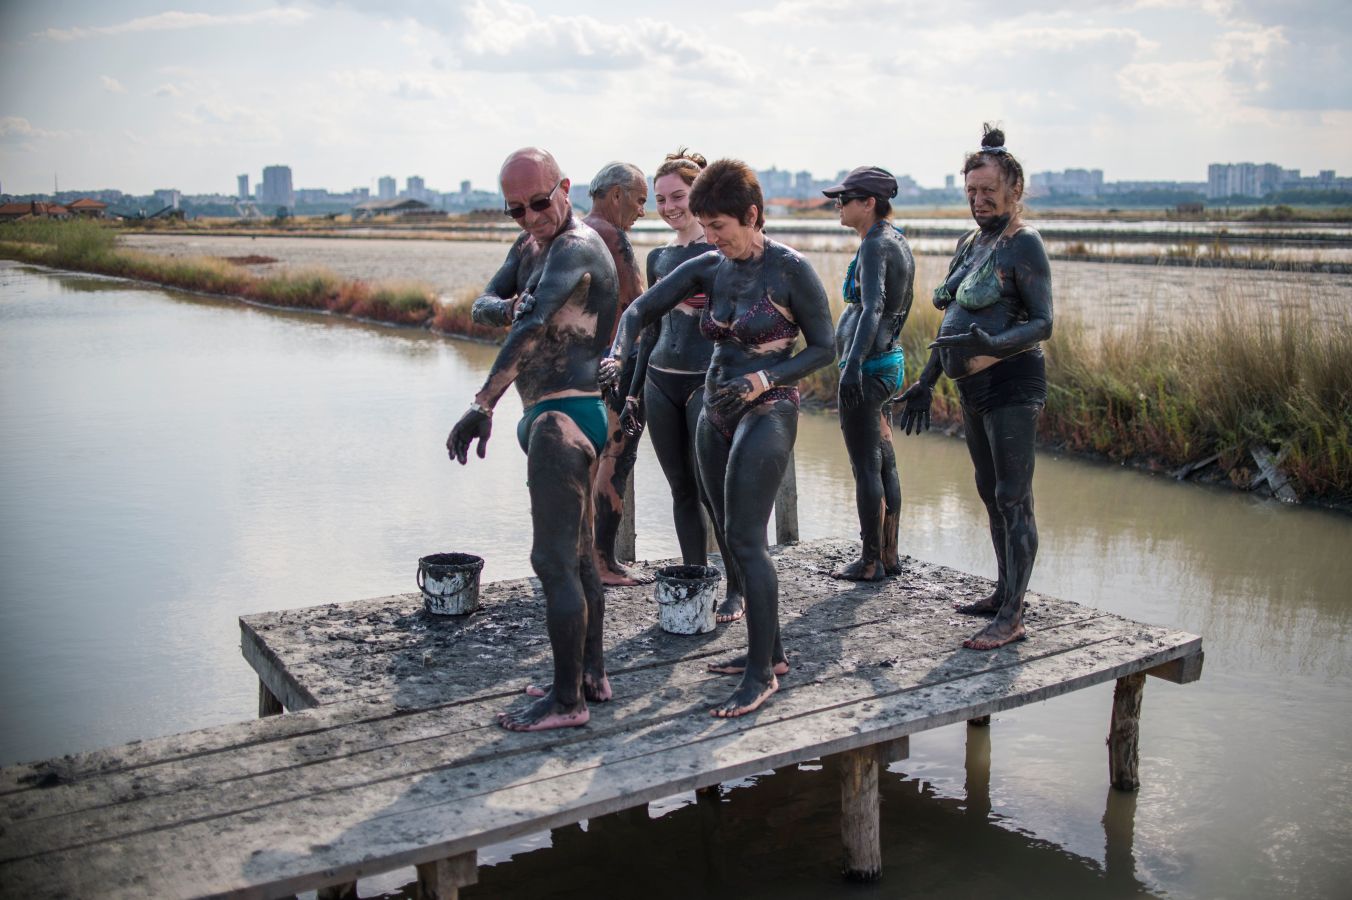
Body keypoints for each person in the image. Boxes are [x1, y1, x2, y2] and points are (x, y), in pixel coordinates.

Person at [602, 159, 834, 717]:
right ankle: (770, 653)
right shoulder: (710, 267)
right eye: (705, 227)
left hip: (769, 407)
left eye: (721, 227)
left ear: (752, 216)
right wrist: (617, 353)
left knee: (749, 540)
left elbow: (827, 348)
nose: (712, 238)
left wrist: (766, 377)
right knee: (727, 532)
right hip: (715, 407)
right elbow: (640, 311)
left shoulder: (790, 271)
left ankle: (760, 675)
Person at [449, 147, 618, 731]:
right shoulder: (529, 247)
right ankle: (589, 675)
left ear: (565, 188)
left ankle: (566, 702)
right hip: (547, 415)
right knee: (577, 555)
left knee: (551, 561)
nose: (530, 217)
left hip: (563, 418)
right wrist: (507, 303)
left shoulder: (575, 248)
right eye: (515, 209)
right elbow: (483, 304)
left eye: (540, 203)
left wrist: (481, 404)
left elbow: (531, 325)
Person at [896, 125, 1053, 651]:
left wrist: (998, 340)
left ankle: (1013, 616)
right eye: (971, 192)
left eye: (989, 191)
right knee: (991, 494)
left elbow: (1042, 323)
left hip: (1011, 382)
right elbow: (952, 327)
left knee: (1014, 497)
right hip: (971, 388)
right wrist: (924, 382)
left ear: (1015, 191)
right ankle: (1003, 591)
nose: (979, 200)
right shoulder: (971, 242)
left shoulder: (1023, 243)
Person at [621, 149, 746, 622]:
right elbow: (648, 329)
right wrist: (632, 390)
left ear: (700, 194)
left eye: (678, 196)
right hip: (658, 380)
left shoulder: (722, 253)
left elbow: (742, 321)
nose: (670, 207)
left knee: (715, 491)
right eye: (660, 199)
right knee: (680, 491)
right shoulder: (659, 257)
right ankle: (696, 582)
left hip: (704, 383)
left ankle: (737, 588)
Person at [821, 166, 914, 581]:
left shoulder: (877, 245)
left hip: (870, 367)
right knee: (885, 463)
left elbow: (874, 307)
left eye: (845, 199)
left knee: (865, 467)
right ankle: (889, 553)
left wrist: (851, 366)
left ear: (868, 203)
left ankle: (871, 560)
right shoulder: (894, 240)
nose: (838, 206)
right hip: (886, 362)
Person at [583, 161, 652, 587]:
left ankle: (582, 557)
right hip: (614, 368)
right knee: (616, 458)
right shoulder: (613, 239)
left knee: (586, 464)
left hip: (581, 369)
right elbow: (639, 305)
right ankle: (604, 562)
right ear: (615, 196)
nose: (643, 211)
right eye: (640, 200)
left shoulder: (573, 234)